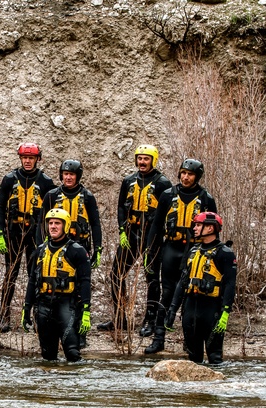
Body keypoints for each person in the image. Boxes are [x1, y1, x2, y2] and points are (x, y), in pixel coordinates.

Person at [144, 158, 218, 355]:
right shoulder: (168, 195)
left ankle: (189, 341)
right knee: (167, 294)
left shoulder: (206, 199)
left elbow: (214, 229)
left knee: (189, 297)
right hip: (171, 248)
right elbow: (156, 225)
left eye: (190, 174)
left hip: (194, 252)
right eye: (183, 173)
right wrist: (150, 252)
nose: (185, 177)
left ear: (197, 177)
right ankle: (158, 338)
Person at [97, 144, 173, 334]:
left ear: (153, 160)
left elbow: (167, 213)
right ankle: (120, 318)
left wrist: (156, 239)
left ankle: (150, 320)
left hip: (151, 237)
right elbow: (121, 206)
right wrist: (122, 230)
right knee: (116, 275)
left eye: (146, 159)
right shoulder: (128, 180)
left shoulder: (163, 183)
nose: (142, 162)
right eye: (139, 158)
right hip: (131, 234)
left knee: (152, 278)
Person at [0, 143, 57, 332]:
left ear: (38, 159)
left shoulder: (46, 182)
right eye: (24, 158)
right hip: (13, 232)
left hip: (35, 235)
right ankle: (4, 316)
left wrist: (47, 237)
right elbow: (0, 208)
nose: (27, 161)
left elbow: (52, 212)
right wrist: (0, 234)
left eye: (31, 158)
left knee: (35, 275)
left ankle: (38, 315)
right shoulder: (9, 179)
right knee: (10, 275)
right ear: (20, 158)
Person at [165, 211, 236, 365]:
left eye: (198, 225)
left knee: (215, 359)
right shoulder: (193, 250)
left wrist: (225, 313)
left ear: (210, 228)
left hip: (212, 310)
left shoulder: (225, 253)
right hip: (190, 309)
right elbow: (183, 282)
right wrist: (172, 309)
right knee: (193, 359)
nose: (194, 228)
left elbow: (231, 285)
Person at [21, 208, 92, 362]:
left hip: (67, 305)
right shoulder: (40, 251)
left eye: (57, 223)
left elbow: (85, 282)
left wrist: (86, 310)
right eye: (50, 223)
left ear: (65, 226)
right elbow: (32, 280)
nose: (53, 226)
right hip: (44, 306)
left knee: (73, 354)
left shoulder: (77, 251)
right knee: (48, 356)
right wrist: (27, 308)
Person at [39, 159, 102, 267]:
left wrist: (97, 249)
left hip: (81, 245)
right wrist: (40, 246)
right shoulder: (51, 196)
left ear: (78, 176)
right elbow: (41, 223)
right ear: (61, 175)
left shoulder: (88, 197)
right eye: (66, 174)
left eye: (72, 174)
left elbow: (95, 224)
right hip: (55, 245)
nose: (68, 177)